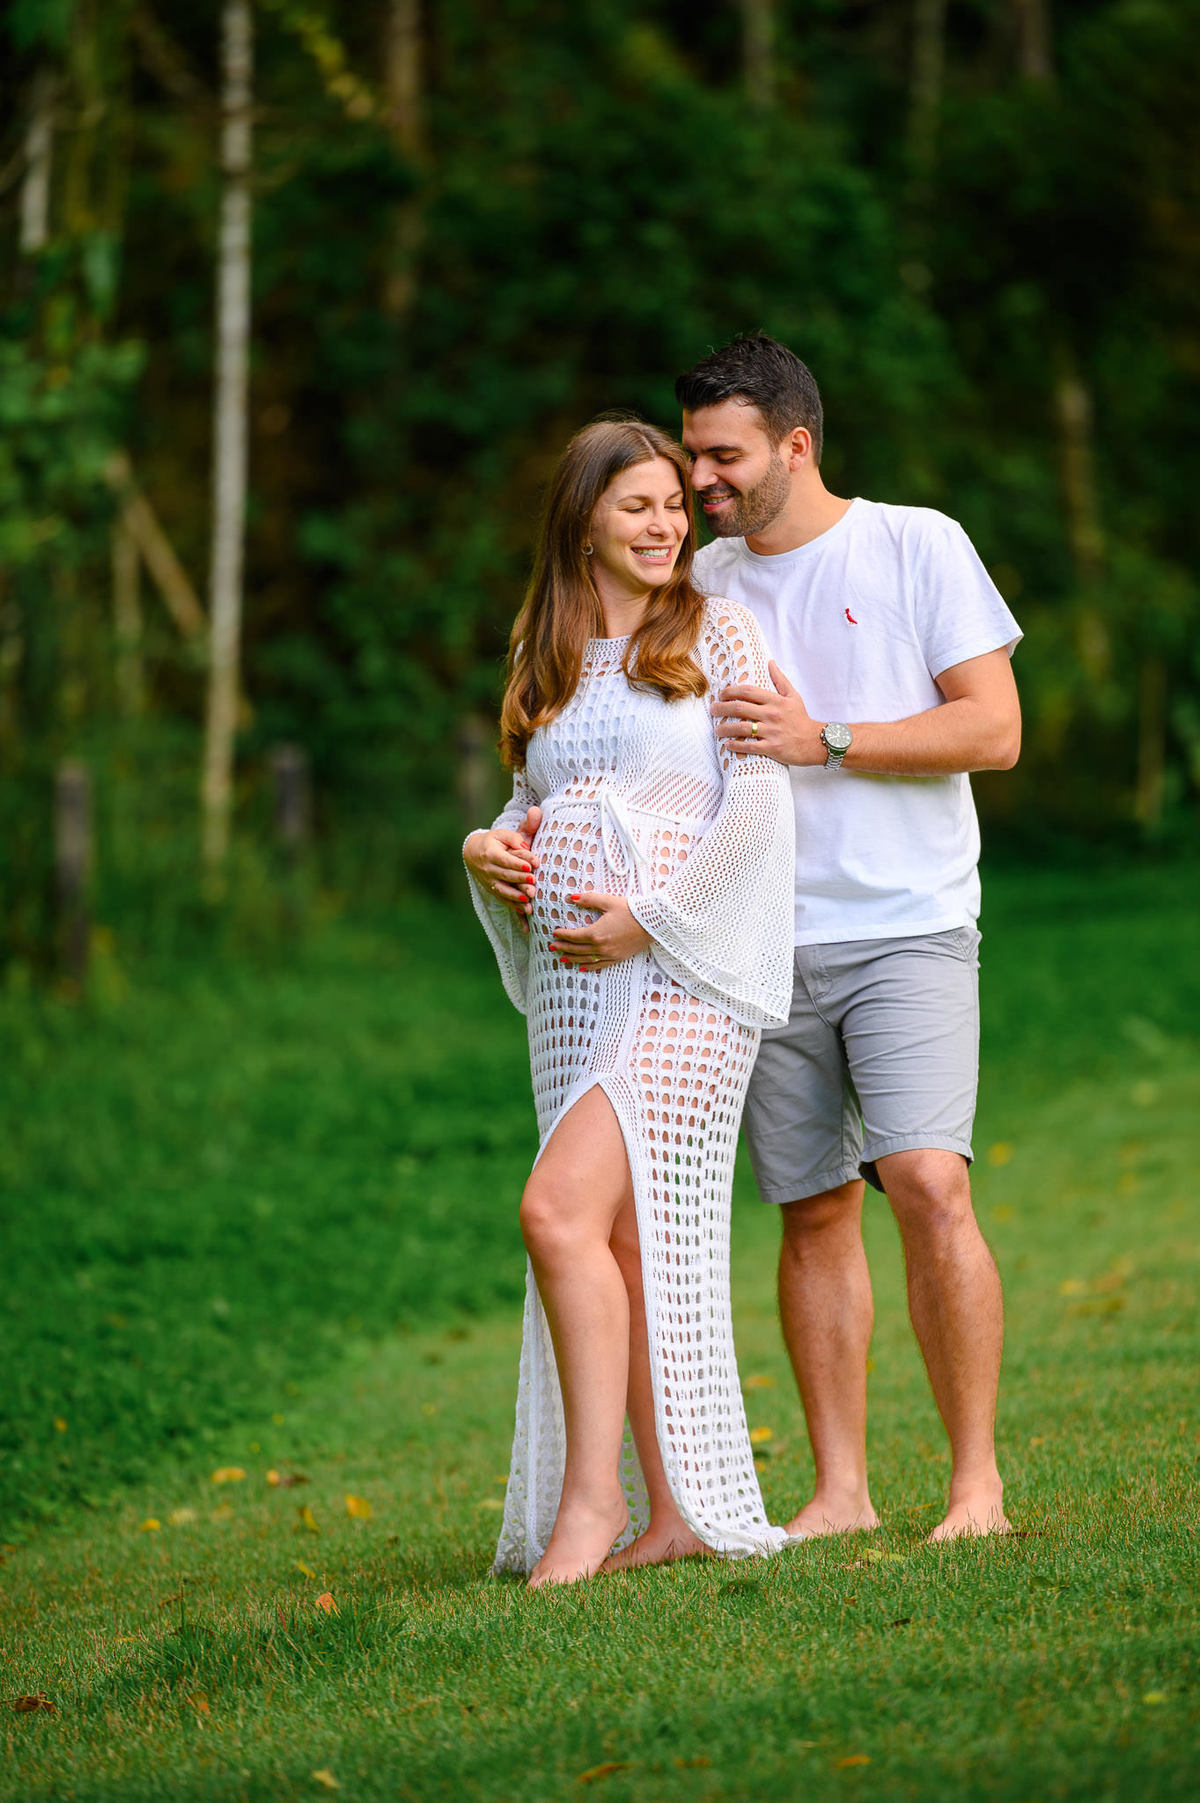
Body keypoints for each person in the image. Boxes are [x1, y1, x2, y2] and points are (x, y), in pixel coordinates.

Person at [676, 334, 1023, 1543]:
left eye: (724, 456)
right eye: (693, 457)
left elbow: (993, 731)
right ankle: (841, 1492)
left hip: (908, 923)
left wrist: (823, 737)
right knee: (815, 1208)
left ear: (795, 443)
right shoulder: (699, 584)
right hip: (758, 944)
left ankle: (973, 1484)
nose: (702, 480)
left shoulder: (914, 542)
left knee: (928, 1182)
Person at [463, 417, 795, 1586]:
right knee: (613, 1232)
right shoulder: (543, 657)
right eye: (638, 508)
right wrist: (488, 848)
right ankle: (675, 1515)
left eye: (672, 504)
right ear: (584, 524)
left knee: (556, 1213)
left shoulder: (720, 633)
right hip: (580, 992)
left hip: (689, 975)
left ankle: (589, 1506)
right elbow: (531, 804)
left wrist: (649, 917)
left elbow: (756, 808)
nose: (667, 526)